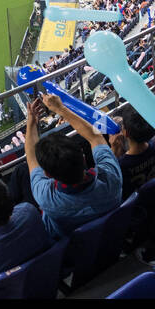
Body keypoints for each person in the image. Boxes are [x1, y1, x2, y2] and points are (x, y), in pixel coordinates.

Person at [25, 93, 123, 239]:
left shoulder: (46, 196)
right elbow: (95, 136)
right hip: (111, 240)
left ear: (48, 175)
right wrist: (60, 108)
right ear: (83, 158)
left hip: (71, 253)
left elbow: (31, 158)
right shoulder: (111, 177)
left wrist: (32, 121)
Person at [111, 106, 155, 196]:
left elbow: (114, 183)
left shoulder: (121, 165)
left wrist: (114, 149)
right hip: (154, 193)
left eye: (122, 125)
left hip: (133, 203)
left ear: (125, 133)